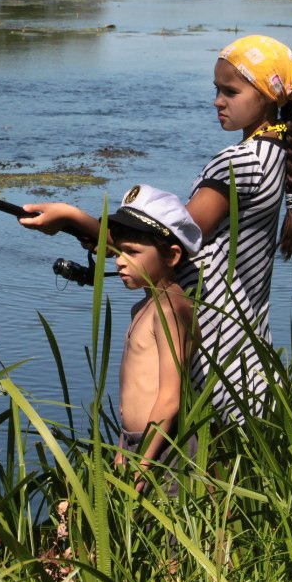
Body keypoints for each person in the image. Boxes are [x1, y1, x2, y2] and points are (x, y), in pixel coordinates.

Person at [20, 35, 292, 426]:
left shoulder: (239, 162)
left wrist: (73, 218)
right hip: (244, 349)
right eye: (216, 89)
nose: (217, 100)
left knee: (197, 468)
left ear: (267, 96)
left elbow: (170, 238)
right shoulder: (274, 154)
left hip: (213, 344)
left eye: (231, 91)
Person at [105, 184, 203, 490]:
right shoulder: (143, 307)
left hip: (164, 451)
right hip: (137, 442)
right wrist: (124, 449)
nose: (120, 260)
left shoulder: (172, 309)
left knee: (165, 534)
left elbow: (169, 398)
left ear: (172, 255)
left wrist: (143, 464)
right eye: (118, 251)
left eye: (132, 252)